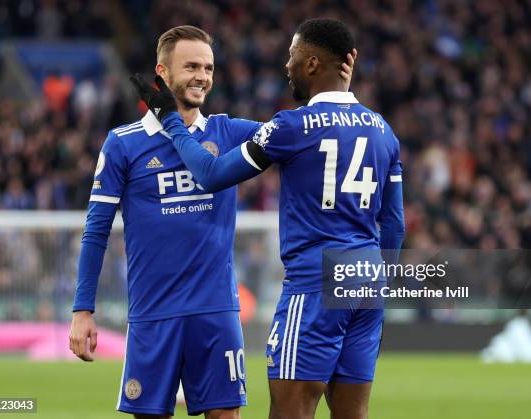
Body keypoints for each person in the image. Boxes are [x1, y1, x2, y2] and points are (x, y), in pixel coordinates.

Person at [69, 25, 354, 419]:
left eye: (208, 67)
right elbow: (96, 230)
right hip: (154, 314)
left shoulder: (229, 132)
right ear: (162, 73)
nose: (202, 76)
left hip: (216, 311)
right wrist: (83, 310)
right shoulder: (123, 143)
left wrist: (341, 98)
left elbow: (304, 137)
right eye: (191, 66)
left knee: (225, 416)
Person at [131, 18, 405, 419]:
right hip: (367, 283)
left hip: (314, 283)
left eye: (293, 56)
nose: (287, 66)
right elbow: (394, 225)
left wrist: (170, 119)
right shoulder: (383, 130)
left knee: (290, 410)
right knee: (353, 413)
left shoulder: (291, 126)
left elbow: (209, 175)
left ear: (312, 64)